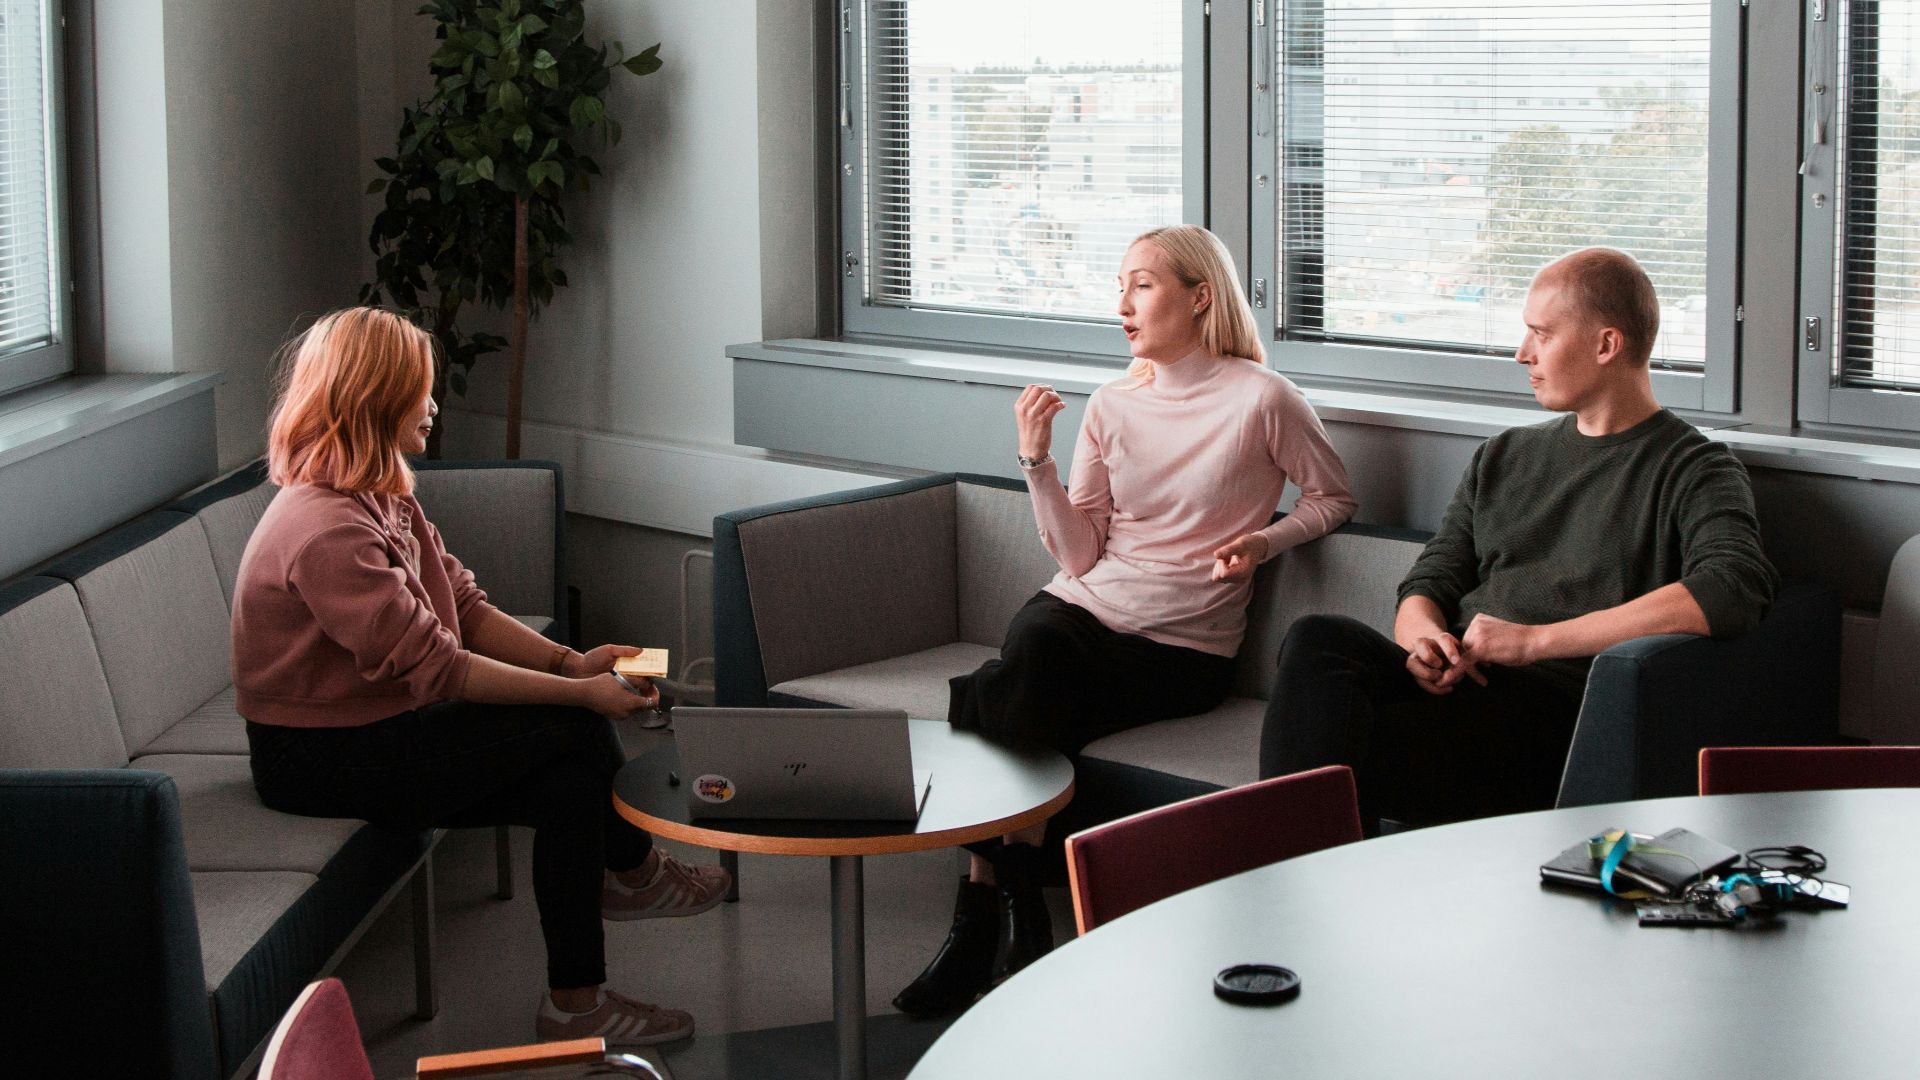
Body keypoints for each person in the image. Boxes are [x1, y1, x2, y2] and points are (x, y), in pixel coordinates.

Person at [894, 225, 1358, 1017]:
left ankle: (982, 920)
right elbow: (1077, 557)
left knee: (994, 691)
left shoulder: (1263, 400)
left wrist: (1263, 541)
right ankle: (1012, 914)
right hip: (1085, 610)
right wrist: (1035, 460)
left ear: (1200, 296)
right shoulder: (1113, 403)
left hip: (1182, 646)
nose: (1122, 304)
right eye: (1120, 285)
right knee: (1033, 653)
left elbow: (1334, 497)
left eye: (1141, 284)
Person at [232, 308, 728, 1046]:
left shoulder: (380, 493)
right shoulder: (325, 527)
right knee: (574, 725)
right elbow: (439, 668)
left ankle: (575, 1003)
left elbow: (461, 604)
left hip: (373, 729)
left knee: (567, 790)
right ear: (375, 399)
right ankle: (633, 870)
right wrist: (581, 694)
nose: (433, 405)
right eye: (419, 391)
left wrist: (570, 661)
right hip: (315, 758)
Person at [1259, 248, 1778, 831]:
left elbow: (1732, 587)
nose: (1521, 353)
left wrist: (1534, 643)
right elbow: (1430, 580)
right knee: (1319, 641)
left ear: (1607, 345)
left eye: (1540, 334)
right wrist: (1424, 641)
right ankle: (1291, 860)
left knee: (1326, 767)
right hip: (1453, 687)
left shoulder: (1694, 467)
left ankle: (1278, 868)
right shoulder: (1505, 455)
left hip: (1549, 711)